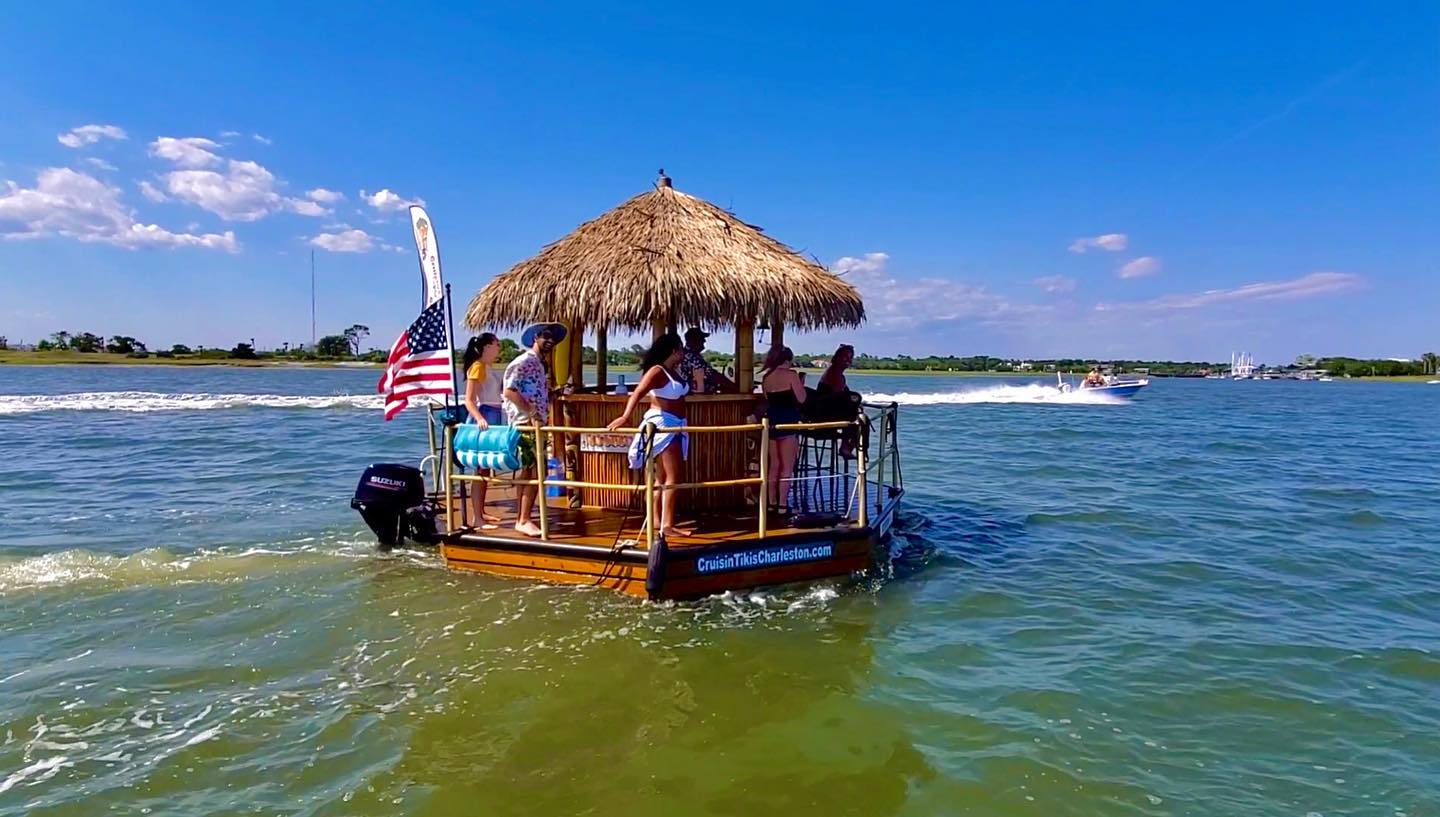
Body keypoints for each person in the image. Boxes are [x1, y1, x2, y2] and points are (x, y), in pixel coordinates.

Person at [606, 333, 692, 539]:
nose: (683, 352)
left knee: (663, 476)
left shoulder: (673, 371)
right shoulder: (657, 371)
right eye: (681, 348)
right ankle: (667, 524)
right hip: (663, 424)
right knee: (672, 476)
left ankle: (657, 519)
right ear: (674, 350)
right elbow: (637, 392)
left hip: (677, 425)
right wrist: (625, 417)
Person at [503, 322, 565, 537]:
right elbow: (509, 391)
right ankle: (523, 519)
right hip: (526, 424)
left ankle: (523, 517)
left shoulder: (538, 364)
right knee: (535, 469)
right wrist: (531, 412)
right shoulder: (526, 361)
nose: (549, 341)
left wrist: (555, 394)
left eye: (552, 338)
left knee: (530, 470)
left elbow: (535, 393)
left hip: (535, 423)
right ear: (534, 338)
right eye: (545, 336)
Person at [462, 333, 504, 528]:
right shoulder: (478, 367)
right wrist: (479, 418)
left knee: (485, 467)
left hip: (495, 412)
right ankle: (477, 517)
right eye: (496, 344)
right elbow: (469, 399)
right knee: (480, 467)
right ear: (486, 346)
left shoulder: (488, 367)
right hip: (485, 413)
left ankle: (481, 511)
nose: (499, 347)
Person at [761, 345, 807, 515]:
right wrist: (801, 384)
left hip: (772, 421)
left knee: (774, 465)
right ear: (787, 359)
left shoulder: (767, 377)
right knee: (787, 467)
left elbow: (767, 399)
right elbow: (801, 399)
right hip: (789, 421)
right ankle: (782, 505)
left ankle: (771, 502)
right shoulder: (791, 375)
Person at [813, 343, 861, 458]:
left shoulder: (837, 373)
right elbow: (839, 398)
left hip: (826, 412)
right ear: (837, 357)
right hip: (823, 416)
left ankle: (847, 447)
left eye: (850, 357)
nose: (848, 360)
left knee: (857, 417)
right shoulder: (834, 374)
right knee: (857, 420)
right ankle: (846, 448)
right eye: (845, 356)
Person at [677, 327, 736, 394]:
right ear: (694, 341)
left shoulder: (687, 355)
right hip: (697, 397)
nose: (704, 341)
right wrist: (734, 388)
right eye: (702, 338)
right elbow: (714, 376)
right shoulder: (692, 358)